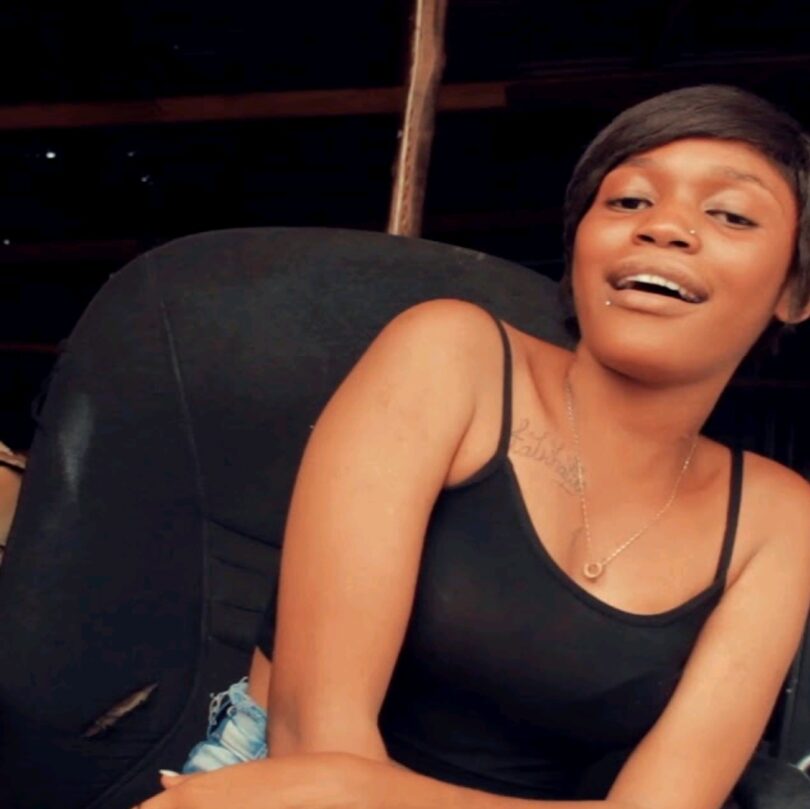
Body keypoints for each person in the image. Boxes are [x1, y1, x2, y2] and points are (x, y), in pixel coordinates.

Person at [142, 85, 810, 808]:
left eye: (731, 214)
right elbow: (313, 748)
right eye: (628, 201)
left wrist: (348, 788)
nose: (666, 226)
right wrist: (337, 784)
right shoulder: (447, 356)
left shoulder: (782, 521)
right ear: (579, 244)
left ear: (796, 291)